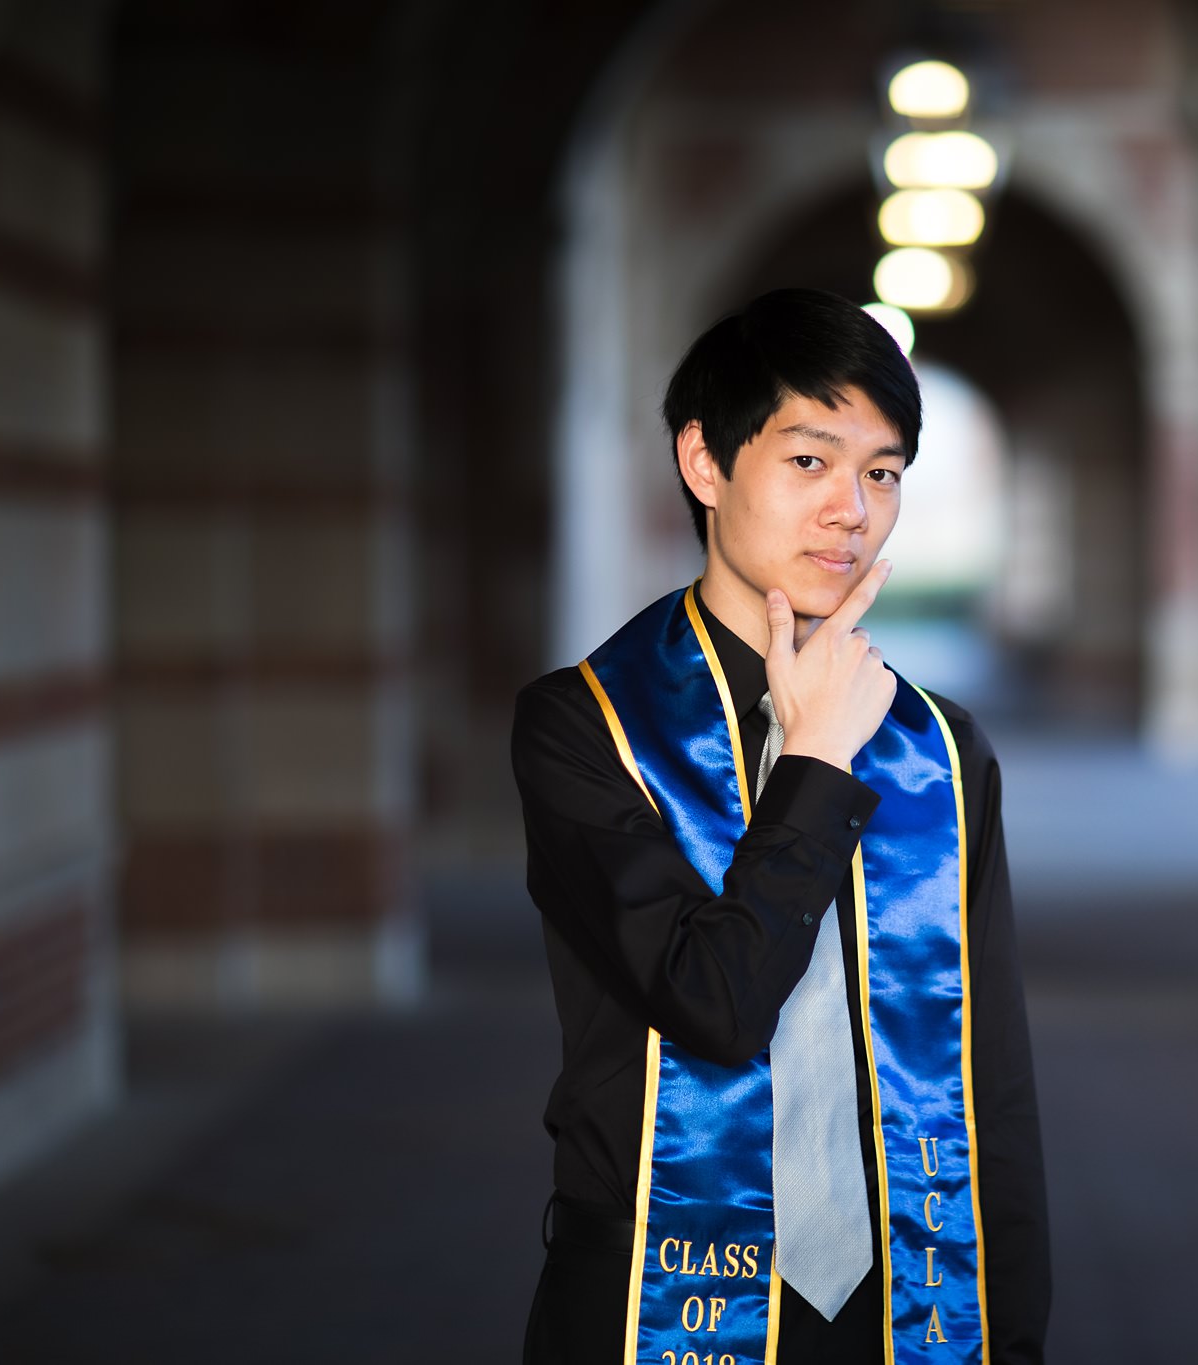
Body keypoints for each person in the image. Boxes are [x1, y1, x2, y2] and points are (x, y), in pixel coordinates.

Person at [511, 286, 1049, 1364]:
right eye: (808, 461)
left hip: (909, 1306)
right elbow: (710, 1003)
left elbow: (993, 1088)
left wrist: (1015, 1340)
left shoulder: (941, 752)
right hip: (649, 1302)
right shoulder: (587, 728)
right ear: (705, 464)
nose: (850, 508)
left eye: (881, 472)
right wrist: (811, 763)